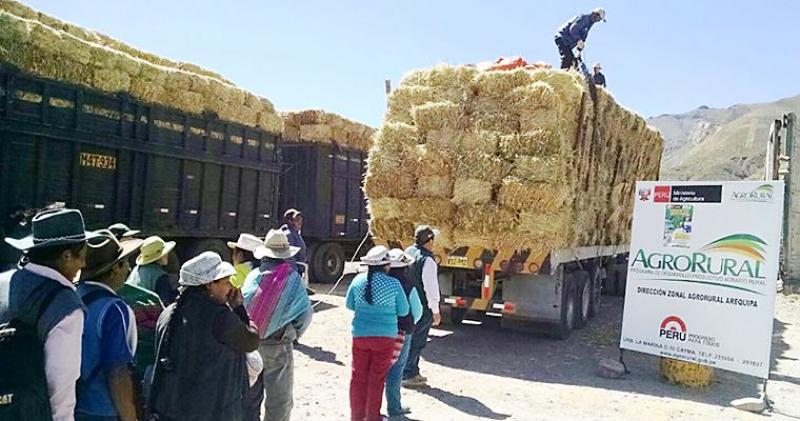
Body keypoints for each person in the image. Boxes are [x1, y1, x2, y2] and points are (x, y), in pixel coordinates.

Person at [0, 208, 99, 421]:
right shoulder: (65, 305)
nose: (83, 264)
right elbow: (61, 386)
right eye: (82, 255)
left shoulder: (4, 282)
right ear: (66, 256)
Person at [150, 251, 259, 421]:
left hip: (170, 410)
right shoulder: (220, 318)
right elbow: (251, 341)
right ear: (210, 284)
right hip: (211, 413)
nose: (231, 287)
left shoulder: (167, 314)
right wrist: (238, 308)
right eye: (226, 281)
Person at [242, 229, 313, 421]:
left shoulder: (253, 276)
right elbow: (305, 315)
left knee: (250, 397)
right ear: (285, 255)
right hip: (278, 344)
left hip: (250, 344)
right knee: (279, 401)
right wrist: (294, 333)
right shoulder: (292, 279)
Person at [75, 230, 144, 421]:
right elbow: (118, 372)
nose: (129, 268)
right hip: (101, 410)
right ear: (115, 268)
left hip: (70, 406)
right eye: (125, 262)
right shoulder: (115, 309)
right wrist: (130, 417)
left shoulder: (72, 296)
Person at [346, 245, 410, 421]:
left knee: (358, 376)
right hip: (385, 337)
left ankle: (356, 416)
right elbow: (404, 310)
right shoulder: (393, 284)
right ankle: (372, 416)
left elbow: (349, 304)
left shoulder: (358, 281)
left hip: (360, 334)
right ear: (386, 265)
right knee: (377, 378)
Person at [384, 249, 423, 418]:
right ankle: (394, 407)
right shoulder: (408, 286)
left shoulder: (382, 282)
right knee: (397, 369)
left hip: (382, 329)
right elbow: (417, 311)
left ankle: (372, 406)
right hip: (402, 332)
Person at [402, 226, 442, 388]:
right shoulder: (427, 260)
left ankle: (405, 370)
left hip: (406, 302)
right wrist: (436, 311)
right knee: (417, 340)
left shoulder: (408, 252)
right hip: (421, 306)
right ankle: (409, 374)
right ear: (429, 241)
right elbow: (430, 288)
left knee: (406, 337)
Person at [127, 236, 177, 305]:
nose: (167, 254)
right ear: (160, 256)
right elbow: (168, 303)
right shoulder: (160, 275)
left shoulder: (136, 270)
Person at [279, 209, 307, 276]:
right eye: (297, 220)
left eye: (301, 219)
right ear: (290, 221)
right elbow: (287, 256)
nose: (300, 222)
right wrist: (294, 273)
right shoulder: (288, 235)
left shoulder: (295, 233)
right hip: (290, 273)